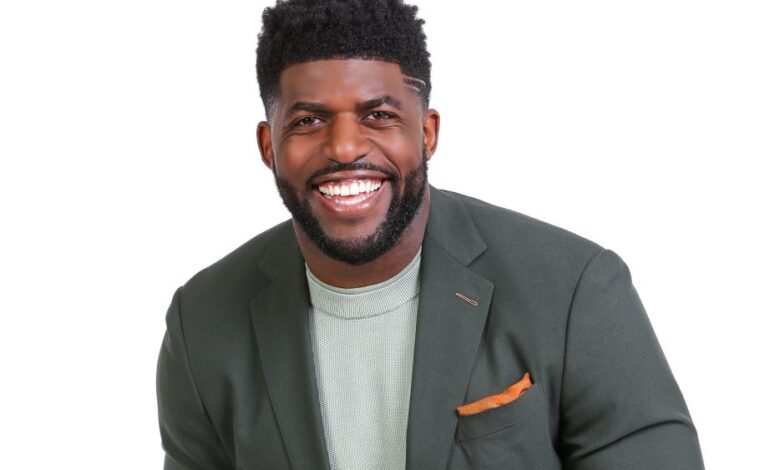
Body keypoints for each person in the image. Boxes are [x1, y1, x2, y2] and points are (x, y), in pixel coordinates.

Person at [156, 0, 705, 468]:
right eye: (308, 121)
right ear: (268, 146)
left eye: (378, 115)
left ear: (427, 132)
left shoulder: (574, 291)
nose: (344, 147)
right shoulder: (201, 322)